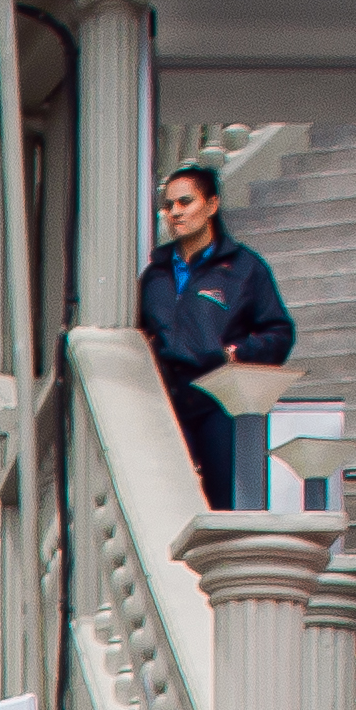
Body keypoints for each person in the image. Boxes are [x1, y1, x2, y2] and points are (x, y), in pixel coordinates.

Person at [137, 159, 295, 510]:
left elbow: (280, 332)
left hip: (218, 402)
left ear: (211, 205)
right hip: (164, 403)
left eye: (185, 202)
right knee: (168, 506)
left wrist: (233, 354)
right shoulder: (154, 275)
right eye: (168, 205)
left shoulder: (244, 268)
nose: (174, 213)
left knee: (223, 505)